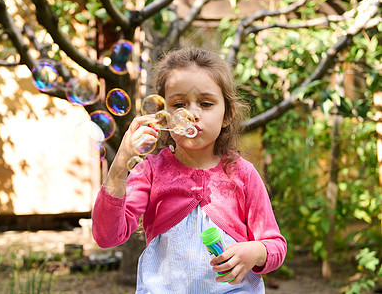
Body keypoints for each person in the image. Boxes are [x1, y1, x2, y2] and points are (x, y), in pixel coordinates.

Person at [92, 47, 287, 293]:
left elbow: (275, 245)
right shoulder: (150, 172)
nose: (192, 114)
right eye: (179, 104)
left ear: (227, 114)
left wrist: (256, 251)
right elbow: (107, 236)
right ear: (163, 116)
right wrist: (120, 164)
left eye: (205, 104)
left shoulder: (242, 173)